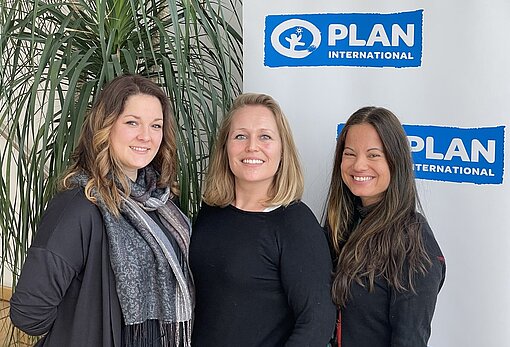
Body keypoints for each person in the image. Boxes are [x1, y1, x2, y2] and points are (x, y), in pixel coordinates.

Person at [10, 74, 194, 347]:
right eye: (132, 122)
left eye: (156, 125)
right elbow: (29, 314)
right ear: (105, 126)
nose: (146, 136)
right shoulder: (78, 207)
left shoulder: (161, 203)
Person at [189, 93, 336, 346]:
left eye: (265, 137)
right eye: (240, 136)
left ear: (282, 150)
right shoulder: (210, 212)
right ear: (225, 148)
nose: (251, 147)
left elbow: (317, 322)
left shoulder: (296, 224)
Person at [324, 106, 446, 347]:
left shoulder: (413, 240)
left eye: (373, 155)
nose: (359, 165)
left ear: (395, 161)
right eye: (349, 154)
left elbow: (410, 339)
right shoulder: (340, 226)